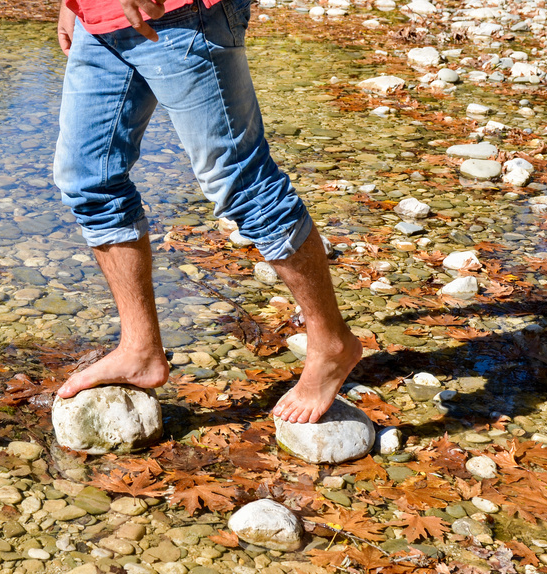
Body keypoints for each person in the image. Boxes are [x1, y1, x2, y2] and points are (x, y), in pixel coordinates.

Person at [52, 0, 362, 423]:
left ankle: (331, 342)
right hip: (98, 17)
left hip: (179, 13)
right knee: (89, 181)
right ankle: (139, 349)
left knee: (242, 185)